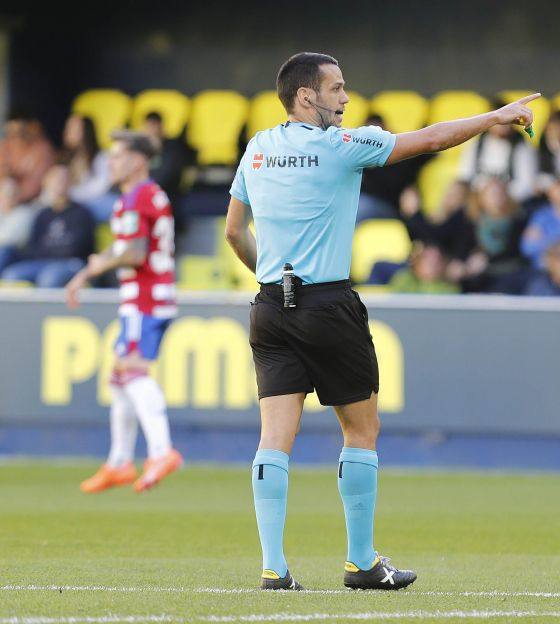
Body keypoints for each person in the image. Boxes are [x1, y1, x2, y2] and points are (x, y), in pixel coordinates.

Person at [224, 51, 538, 591]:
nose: (346, 98)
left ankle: (274, 568)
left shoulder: (257, 149)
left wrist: (273, 278)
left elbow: (234, 232)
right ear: (307, 96)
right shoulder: (342, 147)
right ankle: (362, 562)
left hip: (270, 306)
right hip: (327, 305)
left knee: (274, 440)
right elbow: (432, 139)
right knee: (362, 430)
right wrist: (492, 118)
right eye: (337, 88)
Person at [65, 131, 182, 493]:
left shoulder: (138, 197)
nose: (110, 163)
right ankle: (119, 461)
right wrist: (91, 269)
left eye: (116, 156)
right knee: (118, 377)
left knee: (132, 372)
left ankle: (162, 451)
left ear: (137, 161)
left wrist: (97, 266)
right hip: (144, 297)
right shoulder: (137, 197)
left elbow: (134, 253)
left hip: (146, 298)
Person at [1, 164, 95, 287]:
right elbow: (33, 246)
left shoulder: (82, 212)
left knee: (49, 277)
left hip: (71, 262)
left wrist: (50, 253)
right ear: (46, 183)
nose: (59, 184)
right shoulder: (42, 214)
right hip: (43, 262)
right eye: (55, 180)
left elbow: (80, 247)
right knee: (11, 275)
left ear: (71, 183)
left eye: (63, 179)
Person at [449, 177, 528, 293]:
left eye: (499, 193)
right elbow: (462, 246)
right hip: (477, 271)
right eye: (491, 194)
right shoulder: (471, 220)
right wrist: (462, 263)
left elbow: (515, 251)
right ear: (482, 197)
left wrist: (486, 260)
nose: (496, 197)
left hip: (507, 271)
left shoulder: (517, 219)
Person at [457, 99, 538, 203]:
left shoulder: (521, 146)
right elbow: (465, 176)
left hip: (509, 203)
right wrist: (484, 193)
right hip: (479, 200)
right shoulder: (477, 144)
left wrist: (498, 194)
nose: (503, 126)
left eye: (507, 121)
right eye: (498, 121)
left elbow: (526, 185)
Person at [358, 114, 432, 222]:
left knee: (359, 208)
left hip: (388, 206)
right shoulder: (360, 156)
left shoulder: (398, 157)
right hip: (363, 200)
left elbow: (427, 153)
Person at [61, 114, 115, 221]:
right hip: (69, 205)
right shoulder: (63, 159)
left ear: (86, 132)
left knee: (113, 203)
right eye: (68, 128)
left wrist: (73, 195)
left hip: (92, 203)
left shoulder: (101, 157)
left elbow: (101, 187)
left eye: (73, 129)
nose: (67, 132)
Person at [142, 111, 190, 224]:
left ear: (161, 126)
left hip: (168, 194)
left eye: (154, 126)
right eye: (148, 127)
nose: (151, 131)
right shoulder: (141, 149)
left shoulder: (173, 147)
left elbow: (167, 176)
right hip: (146, 195)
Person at [0, 110, 55, 205]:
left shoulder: (42, 149)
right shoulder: (5, 146)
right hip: (5, 202)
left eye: (21, 131)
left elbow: (36, 185)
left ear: (32, 127)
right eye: (12, 132)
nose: (16, 136)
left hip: (31, 204)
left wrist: (14, 198)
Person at [387, 243, 460, 294]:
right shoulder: (403, 278)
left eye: (437, 260)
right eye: (427, 259)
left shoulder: (449, 285)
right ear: (417, 261)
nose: (432, 264)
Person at [0, 178, 38, 273]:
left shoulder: (25, 213)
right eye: (7, 193)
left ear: (19, 195)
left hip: (17, 255)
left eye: (13, 193)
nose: (10, 196)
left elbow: (10, 239)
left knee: (4, 250)